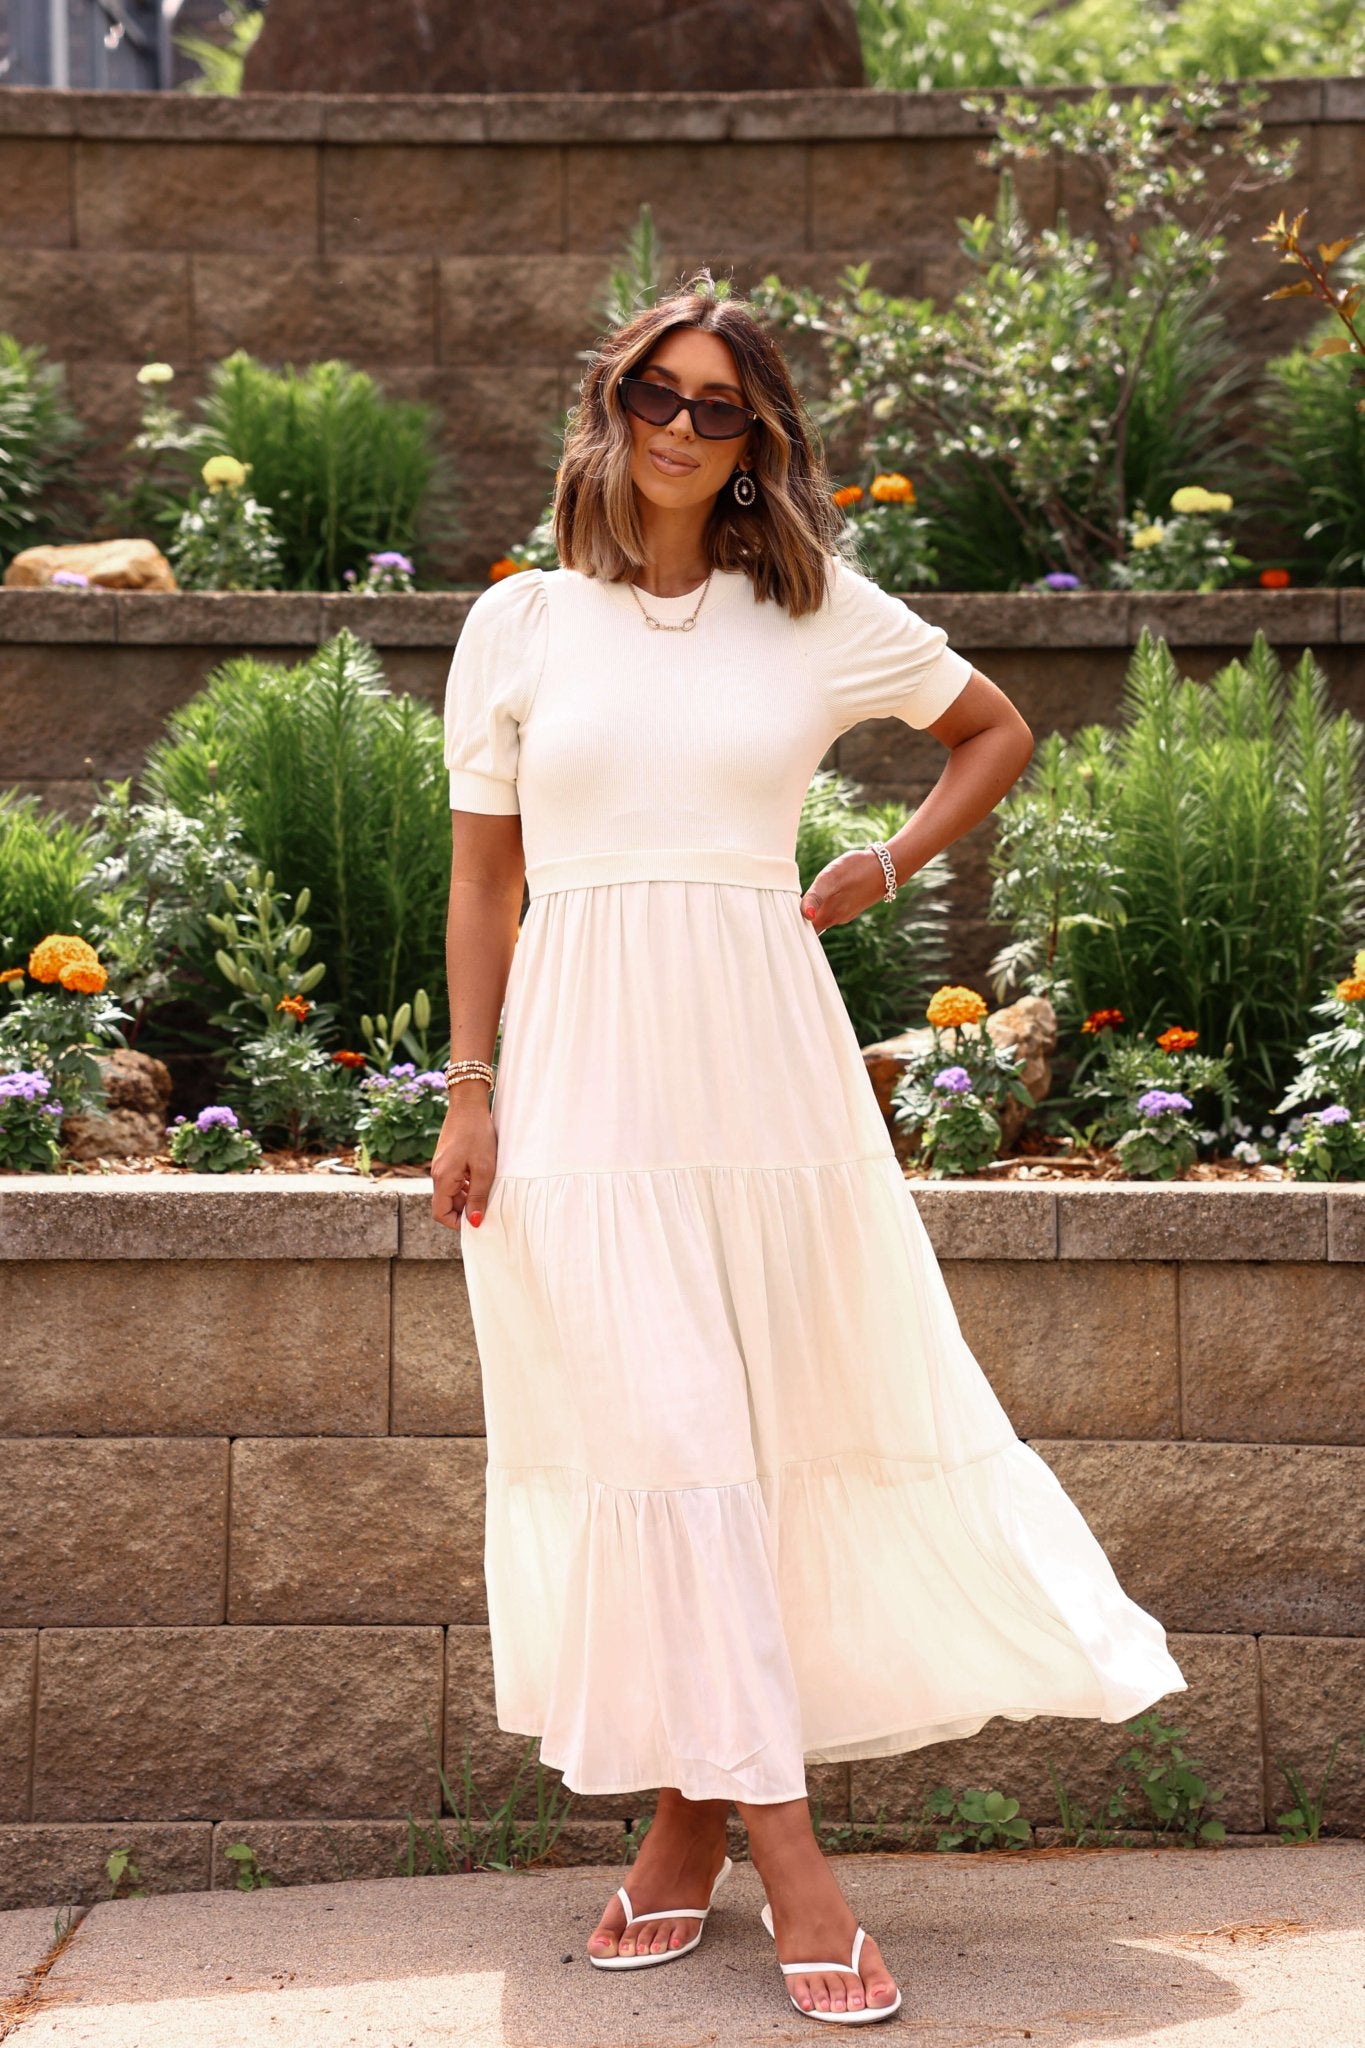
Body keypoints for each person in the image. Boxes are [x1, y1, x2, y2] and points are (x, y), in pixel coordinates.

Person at [431, 272, 1187, 2027]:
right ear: (611, 404)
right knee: (666, 1439)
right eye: (658, 393)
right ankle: (792, 1867)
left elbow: (993, 727)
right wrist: (470, 1086)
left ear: (755, 440)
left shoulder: (815, 608)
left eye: (721, 408)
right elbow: (482, 880)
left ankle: (682, 1836)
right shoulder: (520, 624)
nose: (682, 429)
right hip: (585, 1075)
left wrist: (888, 862)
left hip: (764, 1072)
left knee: (749, 1448)